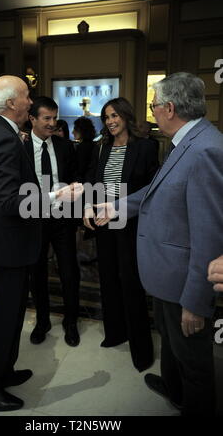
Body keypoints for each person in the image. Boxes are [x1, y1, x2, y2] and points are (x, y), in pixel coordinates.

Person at [93, 72, 223, 416]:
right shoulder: (187, 141)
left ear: (168, 107)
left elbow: (210, 236)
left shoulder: (205, 150)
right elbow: (156, 193)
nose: (151, 112)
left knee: (192, 359)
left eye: (153, 106)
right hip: (167, 278)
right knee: (170, 342)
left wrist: (196, 301)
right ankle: (172, 387)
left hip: (185, 283)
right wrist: (115, 207)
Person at [0, 77, 82, 412]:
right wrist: (55, 195)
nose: (29, 100)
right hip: (9, 244)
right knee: (4, 320)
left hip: (9, 242)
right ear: (11, 104)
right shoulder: (6, 139)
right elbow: (9, 201)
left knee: (14, 314)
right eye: (26, 95)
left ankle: (3, 372)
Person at [83, 98, 159, 372]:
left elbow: (151, 188)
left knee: (130, 282)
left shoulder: (146, 147)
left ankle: (141, 350)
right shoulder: (101, 146)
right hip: (104, 222)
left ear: (126, 116)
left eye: (114, 115)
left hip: (129, 223)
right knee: (108, 278)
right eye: (106, 117)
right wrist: (88, 207)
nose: (110, 121)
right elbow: (92, 179)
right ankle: (115, 333)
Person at [26, 96, 81, 347]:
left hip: (62, 218)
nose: (52, 123)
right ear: (32, 119)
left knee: (69, 272)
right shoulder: (21, 148)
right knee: (36, 273)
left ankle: (71, 322)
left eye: (54, 118)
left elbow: (74, 178)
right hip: (34, 219)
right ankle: (43, 321)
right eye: (46, 118)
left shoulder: (64, 146)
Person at [73, 116, 96, 183]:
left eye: (75, 129)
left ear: (82, 130)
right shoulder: (94, 145)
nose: (73, 132)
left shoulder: (82, 147)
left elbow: (81, 170)